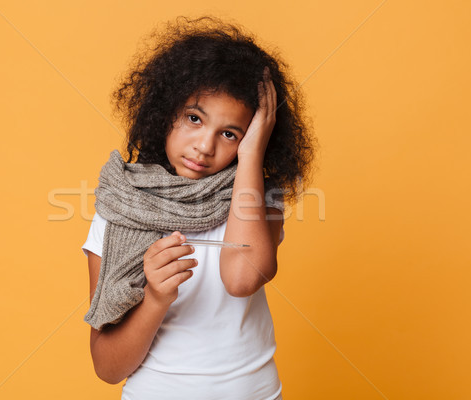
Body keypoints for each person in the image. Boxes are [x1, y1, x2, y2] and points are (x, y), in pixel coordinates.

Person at [81, 15, 316, 400]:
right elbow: (107, 367)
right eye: (194, 119)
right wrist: (156, 298)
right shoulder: (120, 205)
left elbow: (241, 279)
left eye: (229, 133)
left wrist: (252, 154)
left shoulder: (260, 198)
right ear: (165, 113)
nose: (205, 147)